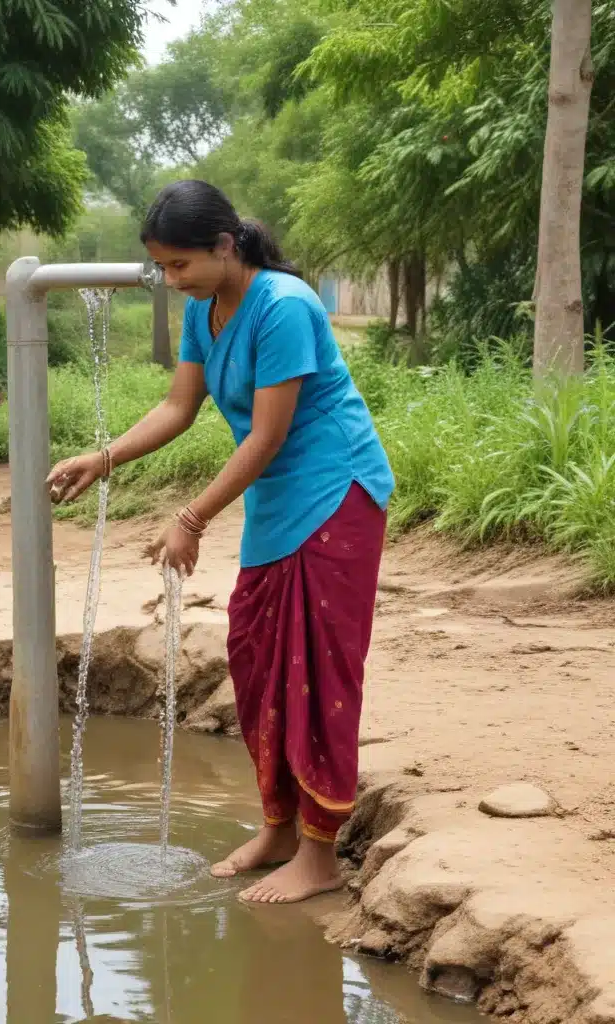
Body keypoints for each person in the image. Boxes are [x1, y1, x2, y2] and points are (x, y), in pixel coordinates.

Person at [46, 180, 394, 905]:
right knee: (260, 661)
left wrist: (192, 518)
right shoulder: (206, 312)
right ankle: (278, 827)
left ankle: (321, 853)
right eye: (163, 270)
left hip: (336, 492)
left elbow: (266, 435)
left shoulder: (287, 307)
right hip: (277, 502)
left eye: (179, 266)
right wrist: (101, 458)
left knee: (319, 670)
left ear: (225, 247)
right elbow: (179, 405)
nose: (172, 283)